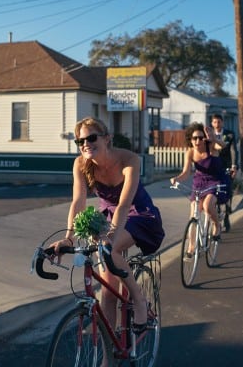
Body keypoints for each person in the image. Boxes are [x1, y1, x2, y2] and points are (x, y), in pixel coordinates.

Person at [49, 117, 164, 333]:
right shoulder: (80, 164)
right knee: (109, 291)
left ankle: (139, 301)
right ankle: (107, 358)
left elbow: (124, 204)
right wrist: (68, 237)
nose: (85, 144)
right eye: (80, 141)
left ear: (107, 138)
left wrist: (111, 236)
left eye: (91, 137)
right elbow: (79, 201)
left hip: (139, 214)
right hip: (109, 216)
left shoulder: (129, 159)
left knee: (111, 248)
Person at [170, 122, 229, 249]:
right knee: (193, 214)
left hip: (215, 180)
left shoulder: (211, 146)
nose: (197, 141)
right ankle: (191, 248)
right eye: (194, 138)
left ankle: (217, 225)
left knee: (207, 206)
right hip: (199, 183)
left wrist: (214, 138)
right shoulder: (190, 153)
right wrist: (176, 179)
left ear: (205, 138)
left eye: (200, 138)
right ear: (190, 140)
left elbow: (223, 146)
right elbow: (186, 173)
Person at [210, 113, 238, 178]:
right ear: (212, 123)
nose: (217, 125)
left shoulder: (230, 134)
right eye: (215, 122)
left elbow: (233, 150)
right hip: (213, 166)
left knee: (227, 184)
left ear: (222, 123)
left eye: (219, 122)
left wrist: (233, 165)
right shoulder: (209, 135)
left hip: (227, 165)